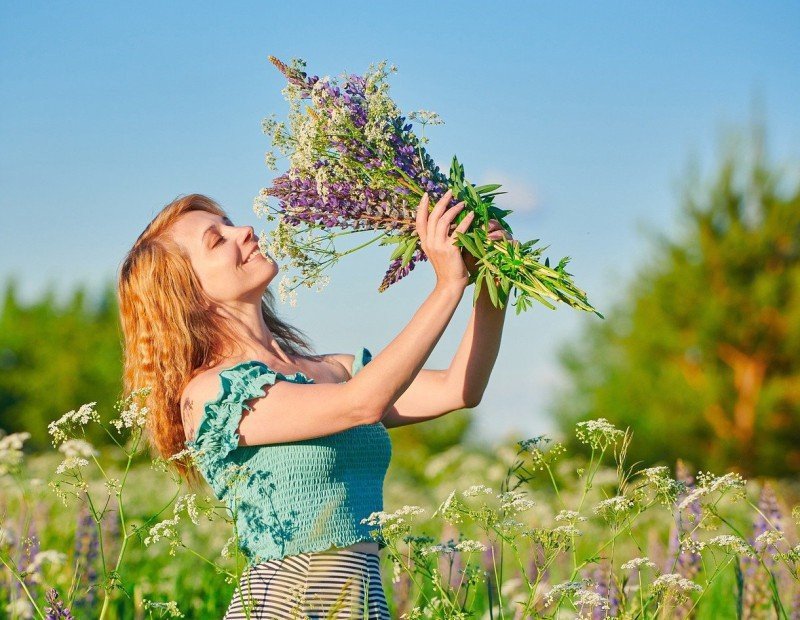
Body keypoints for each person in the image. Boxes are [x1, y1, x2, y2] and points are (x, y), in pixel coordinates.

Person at [117, 190, 511, 618]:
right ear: (187, 293)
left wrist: (493, 278)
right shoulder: (212, 395)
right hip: (288, 605)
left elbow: (460, 388)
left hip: (364, 603)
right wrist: (448, 285)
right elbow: (362, 405)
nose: (244, 231)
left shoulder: (333, 370)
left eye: (230, 223)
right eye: (217, 240)